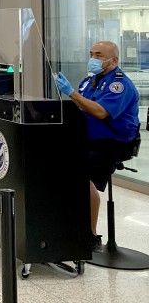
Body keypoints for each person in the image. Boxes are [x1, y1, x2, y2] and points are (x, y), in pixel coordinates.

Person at [55, 41, 141, 251]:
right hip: (89, 137)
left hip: (114, 141)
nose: (93, 58)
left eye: (100, 55)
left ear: (114, 60)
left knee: (80, 174)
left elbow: (101, 112)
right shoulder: (90, 81)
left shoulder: (119, 85)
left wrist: (71, 93)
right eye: (92, 54)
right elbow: (82, 106)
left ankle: (90, 235)